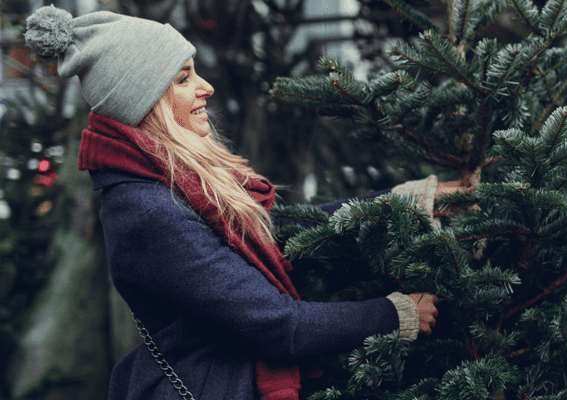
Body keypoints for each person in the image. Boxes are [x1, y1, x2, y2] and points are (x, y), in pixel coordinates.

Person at [24, 5, 454, 400]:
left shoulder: (172, 183)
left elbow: (277, 231)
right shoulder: (148, 210)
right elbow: (279, 325)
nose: (205, 87)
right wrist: (396, 314)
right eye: (184, 78)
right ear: (146, 102)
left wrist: (405, 202)